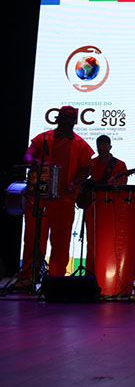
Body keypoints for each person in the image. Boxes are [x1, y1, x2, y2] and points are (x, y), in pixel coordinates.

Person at [18, 105, 93, 283]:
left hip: (64, 200)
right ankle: (28, 278)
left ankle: (56, 279)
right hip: (39, 200)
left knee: (61, 243)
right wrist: (34, 162)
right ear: (58, 119)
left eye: (71, 118)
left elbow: (87, 169)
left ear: (75, 121)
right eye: (65, 117)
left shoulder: (80, 144)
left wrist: (73, 183)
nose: (68, 121)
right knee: (33, 240)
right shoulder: (43, 139)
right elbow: (28, 155)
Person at [85, 134, 128, 274]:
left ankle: (108, 272)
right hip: (93, 206)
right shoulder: (91, 164)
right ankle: (90, 272)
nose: (102, 152)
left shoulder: (120, 165)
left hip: (111, 208)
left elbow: (122, 187)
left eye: (105, 149)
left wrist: (114, 184)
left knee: (110, 241)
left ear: (110, 147)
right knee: (91, 241)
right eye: (100, 149)